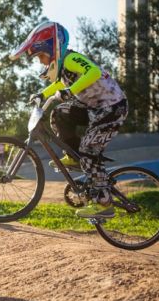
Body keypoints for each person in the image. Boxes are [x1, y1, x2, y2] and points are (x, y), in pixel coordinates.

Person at [10, 20, 127, 219]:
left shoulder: (72, 58)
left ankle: (104, 202)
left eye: (41, 56)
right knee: (59, 114)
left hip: (112, 108)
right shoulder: (63, 67)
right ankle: (75, 157)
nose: (40, 62)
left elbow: (94, 72)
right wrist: (43, 94)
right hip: (93, 107)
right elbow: (58, 86)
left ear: (51, 47)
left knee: (89, 149)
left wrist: (70, 91)